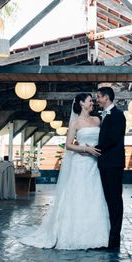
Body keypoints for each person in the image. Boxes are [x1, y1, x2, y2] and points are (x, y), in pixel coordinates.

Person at [12, 93, 110, 250]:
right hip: (81, 162)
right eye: (90, 101)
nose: (93, 103)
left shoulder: (98, 120)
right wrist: (85, 148)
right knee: (77, 194)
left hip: (95, 164)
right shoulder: (75, 123)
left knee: (94, 195)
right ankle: (72, 232)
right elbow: (69, 145)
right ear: (81, 103)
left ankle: (97, 233)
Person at [94, 86, 126, 250]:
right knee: (108, 199)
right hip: (105, 163)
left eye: (98, 96)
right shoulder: (103, 115)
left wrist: (94, 149)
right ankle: (109, 235)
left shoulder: (119, 115)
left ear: (106, 97)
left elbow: (113, 139)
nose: (96, 99)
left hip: (113, 164)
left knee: (115, 200)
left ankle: (114, 240)